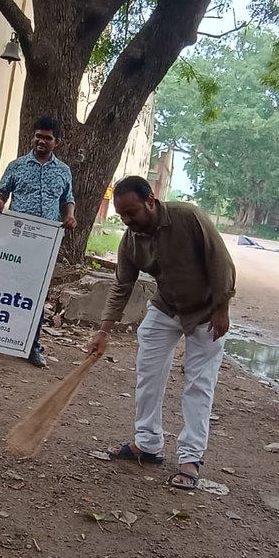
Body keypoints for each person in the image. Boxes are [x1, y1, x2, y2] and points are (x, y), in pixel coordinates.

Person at [88, 176, 236, 489]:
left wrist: (222, 307)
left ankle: (190, 458)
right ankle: (147, 443)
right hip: (166, 307)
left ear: (151, 201)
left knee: (199, 383)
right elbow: (122, 285)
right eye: (122, 216)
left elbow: (221, 262)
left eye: (133, 213)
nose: (128, 221)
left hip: (207, 310)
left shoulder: (189, 217)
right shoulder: (130, 240)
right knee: (148, 373)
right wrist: (103, 330)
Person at [0, 115, 77, 367]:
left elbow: (68, 199)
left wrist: (70, 216)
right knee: (4, 289)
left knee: (35, 295)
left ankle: (31, 346)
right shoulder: (17, 166)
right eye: (38, 136)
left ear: (57, 141)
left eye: (47, 137)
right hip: (16, 240)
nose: (41, 141)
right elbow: (0, 190)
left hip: (44, 245)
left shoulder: (63, 171)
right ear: (32, 137)